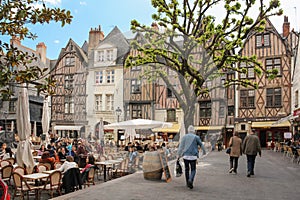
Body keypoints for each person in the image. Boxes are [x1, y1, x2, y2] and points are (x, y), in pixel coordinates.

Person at [177, 125, 206, 189]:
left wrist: (178, 155)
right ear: (193, 131)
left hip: (185, 156)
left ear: (188, 130)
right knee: (193, 169)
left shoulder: (184, 137)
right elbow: (201, 145)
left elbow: (181, 147)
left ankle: (187, 182)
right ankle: (191, 180)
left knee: (186, 169)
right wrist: (204, 151)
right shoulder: (196, 137)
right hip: (193, 156)